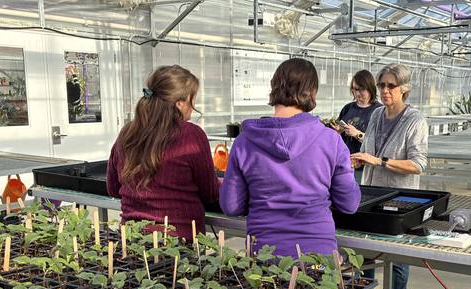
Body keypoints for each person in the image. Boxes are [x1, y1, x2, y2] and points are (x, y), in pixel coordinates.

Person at [220, 58, 360, 258]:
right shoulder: (331, 140)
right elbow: (349, 204)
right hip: (318, 254)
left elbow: (231, 206)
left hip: (265, 253)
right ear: (312, 92)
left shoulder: (245, 141)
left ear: (274, 87)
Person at [107, 65, 220, 241]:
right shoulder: (191, 135)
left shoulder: (128, 132)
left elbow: (113, 188)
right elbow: (210, 194)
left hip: (131, 239)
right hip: (176, 245)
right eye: (193, 98)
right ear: (180, 103)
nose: (193, 105)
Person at [351, 64, 428, 289]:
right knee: (366, 254)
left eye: (391, 86)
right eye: (381, 85)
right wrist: (356, 161)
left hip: (399, 200)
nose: (385, 90)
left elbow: (418, 164)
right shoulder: (376, 115)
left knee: (397, 258)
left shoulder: (415, 120)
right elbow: (367, 153)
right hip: (371, 197)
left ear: (404, 89)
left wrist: (379, 161)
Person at [335, 70, 381, 180]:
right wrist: (337, 131)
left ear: (370, 88)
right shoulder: (348, 108)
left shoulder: (379, 111)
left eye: (361, 89)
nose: (357, 93)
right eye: (355, 89)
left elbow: (380, 143)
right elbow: (338, 135)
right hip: (344, 164)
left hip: (364, 168)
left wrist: (357, 134)